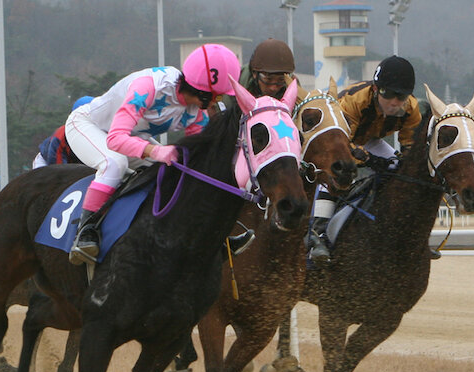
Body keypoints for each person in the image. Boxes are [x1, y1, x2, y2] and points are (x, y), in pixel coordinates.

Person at [65, 43, 241, 265]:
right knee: (114, 164)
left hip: (130, 136)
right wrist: (156, 150)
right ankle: (85, 232)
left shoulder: (198, 113)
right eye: (218, 95)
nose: (219, 101)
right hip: (88, 126)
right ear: (203, 90)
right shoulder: (148, 87)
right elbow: (115, 139)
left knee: (172, 172)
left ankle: (212, 235)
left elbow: (198, 161)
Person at [306, 55, 423, 264]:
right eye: (389, 95)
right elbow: (342, 143)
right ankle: (318, 234)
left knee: (401, 171)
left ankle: (408, 235)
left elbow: (410, 149)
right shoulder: (355, 101)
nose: (395, 102)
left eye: (401, 96)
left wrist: (400, 165)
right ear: (377, 90)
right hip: (335, 141)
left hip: (369, 139)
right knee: (336, 172)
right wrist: (369, 159)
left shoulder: (411, 109)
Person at [222, 38, 299, 256]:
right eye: (268, 80)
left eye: (280, 81)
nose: (275, 87)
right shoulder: (235, 90)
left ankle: (317, 230)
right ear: (255, 75)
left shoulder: (292, 84)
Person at [32, 96, 94, 169]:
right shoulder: (61, 137)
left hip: (73, 164)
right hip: (47, 162)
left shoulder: (102, 134)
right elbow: (58, 169)